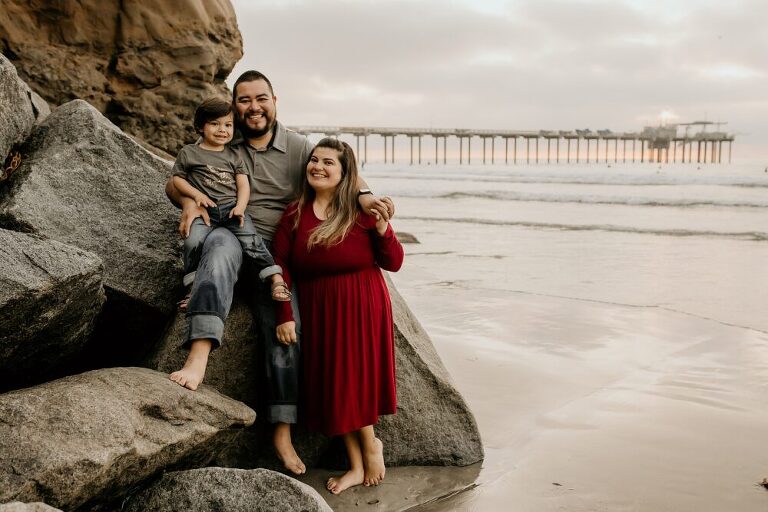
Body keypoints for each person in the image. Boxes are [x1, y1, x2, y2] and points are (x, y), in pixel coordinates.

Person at [164, 70, 394, 476]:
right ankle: (198, 357)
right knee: (218, 249)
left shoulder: (299, 147)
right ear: (234, 106)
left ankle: (282, 432)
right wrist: (187, 202)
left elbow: (341, 168)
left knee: (288, 328)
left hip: (276, 252)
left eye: (261, 99)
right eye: (244, 100)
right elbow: (176, 181)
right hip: (230, 232)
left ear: (274, 101)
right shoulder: (226, 139)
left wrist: (364, 195)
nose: (253, 107)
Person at [273, 138, 404, 494]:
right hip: (318, 306)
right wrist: (284, 311)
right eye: (314, 160)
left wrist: (383, 229)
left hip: (361, 303)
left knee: (352, 380)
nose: (317, 166)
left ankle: (370, 447)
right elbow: (280, 264)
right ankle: (358, 465)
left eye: (328, 162)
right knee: (335, 385)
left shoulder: (362, 213)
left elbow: (394, 262)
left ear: (346, 174)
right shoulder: (295, 213)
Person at [168, 97, 290, 308]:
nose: (222, 130)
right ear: (200, 127)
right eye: (214, 124)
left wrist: (240, 207)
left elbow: (243, 185)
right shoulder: (189, 152)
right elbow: (177, 179)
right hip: (204, 211)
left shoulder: (234, 155)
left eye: (228, 125)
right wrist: (196, 196)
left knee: (252, 242)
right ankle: (193, 289)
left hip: (231, 210)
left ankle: (275, 278)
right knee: (192, 241)